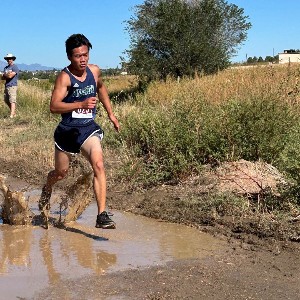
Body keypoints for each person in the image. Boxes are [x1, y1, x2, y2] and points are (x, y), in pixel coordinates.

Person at [39, 33, 120, 229]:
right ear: (69, 57)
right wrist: (80, 103)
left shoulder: (94, 71)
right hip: (67, 132)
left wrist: (110, 113)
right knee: (61, 173)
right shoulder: (64, 77)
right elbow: (54, 106)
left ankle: (101, 215)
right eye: (77, 56)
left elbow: (101, 89)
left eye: (85, 54)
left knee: (99, 164)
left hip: (87, 129)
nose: (82, 59)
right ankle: (47, 188)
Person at [1, 53, 19, 118]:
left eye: (10, 59)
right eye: (8, 59)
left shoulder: (15, 67)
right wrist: (6, 75)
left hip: (13, 85)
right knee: (6, 100)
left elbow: (10, 76)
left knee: (12, 100)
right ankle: (13, 112)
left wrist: (6, 75)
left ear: (12, 59)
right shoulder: (6, 68)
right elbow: (3, 77)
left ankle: (11, 115)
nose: (9, 60)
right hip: (7, 85)